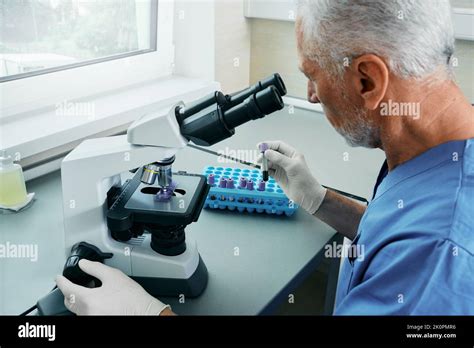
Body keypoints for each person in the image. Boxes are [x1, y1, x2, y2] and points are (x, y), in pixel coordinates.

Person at [56, 0, 474, 315]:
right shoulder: (438, 154)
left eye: (312, 75)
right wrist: (321, 200)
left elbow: (419, 248)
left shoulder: (435, 261)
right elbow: (396, 233)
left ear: (368, 79)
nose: (311, 94)